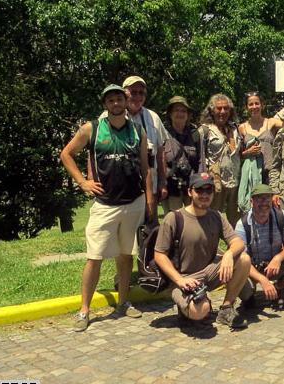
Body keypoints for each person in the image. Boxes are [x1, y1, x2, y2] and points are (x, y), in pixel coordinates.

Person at [60, 84, 153, 332]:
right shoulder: (92, 128)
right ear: (105, 104)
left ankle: (123, 302)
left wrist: (149, 199)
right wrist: (82, 182)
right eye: (110, 100)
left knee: (126, 256)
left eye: (119, 99)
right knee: (94, 257)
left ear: (125, 101)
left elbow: (145, 168)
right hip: (104, 204)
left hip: (133, 202)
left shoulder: (138, 130)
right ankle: (84, 310)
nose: (116, 103)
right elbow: (66, 154)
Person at [152, 172, 251, 330]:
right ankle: (188, 308)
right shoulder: (174, 218)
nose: (204, 195)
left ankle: (226, 308)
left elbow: (238, 242)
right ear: (190, 192)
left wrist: (228, 254)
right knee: (200, 311)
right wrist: (179, 280)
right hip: (184, 278)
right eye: (199, 190)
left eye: (208, 190)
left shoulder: (216, 216)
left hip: (209, 272)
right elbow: (159, 255)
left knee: (244, 259)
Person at [236, 183, 284, 310]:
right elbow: (241, 259)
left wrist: (278, 258)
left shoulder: (281, 217)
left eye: (267, 198)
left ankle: (277, 288)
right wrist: (262, 279)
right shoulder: (242, 224)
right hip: (252, 267)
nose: (264, 202)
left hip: (275, 266)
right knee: (241, 284)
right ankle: (249, 297)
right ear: (251, 201)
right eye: (259, 198)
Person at [120, 76, 169, 218]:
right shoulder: (110, 116)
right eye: (133, 92)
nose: (137, 96)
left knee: (150, 225)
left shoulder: (153, 117)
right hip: (121, 189)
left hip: (150, 186)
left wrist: (162, 182)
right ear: (124, 93)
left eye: (141, 93)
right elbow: (95, 149)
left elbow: (160, 152)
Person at [199, 94, 243, 227]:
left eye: (226, 108)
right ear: (212, 111)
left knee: (236, 222)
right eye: (219, 108)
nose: (222, 112)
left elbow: (238, 153)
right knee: (212, 219)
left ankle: (235, 240)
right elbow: (200, 158)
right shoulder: (205, 130)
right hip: (216, 183)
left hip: (235, 181)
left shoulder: (235, 129)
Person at [237, 92, 283, 214]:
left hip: (269, 172)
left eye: (257, 103)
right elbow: (238, 154)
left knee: (272, 207)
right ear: (246, 107)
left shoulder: (271, 122)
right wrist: (248, 152)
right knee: (253, 208)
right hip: (251, 173)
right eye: (250, 104)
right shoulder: (242, 127)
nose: (254, 107)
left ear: (262, 105)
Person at [161, 96, 201, 214]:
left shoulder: (195, 134)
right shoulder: (162, 133)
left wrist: (199, 183)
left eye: (183, 111)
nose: (180, 113)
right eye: (176, 110)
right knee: (174, 219)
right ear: (170, 114)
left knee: (193, 217)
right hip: (171, 187)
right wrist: (162, 184)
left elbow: (200, 160)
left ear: (188, 115)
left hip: (191, 185)